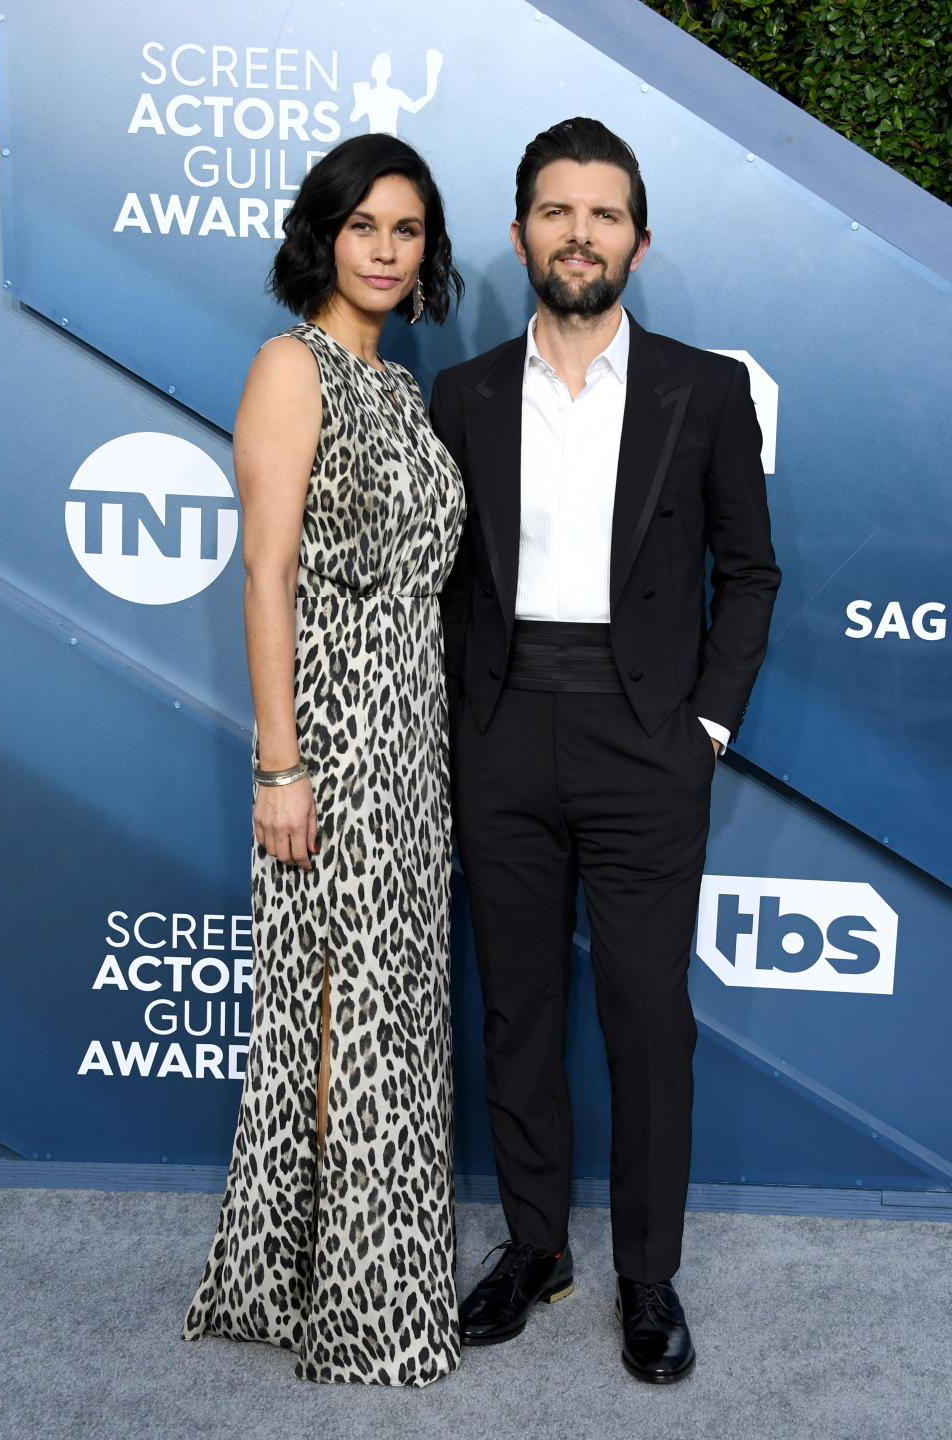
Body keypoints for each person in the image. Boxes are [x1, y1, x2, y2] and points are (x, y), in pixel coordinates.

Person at [430, 117, 780, 1383]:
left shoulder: (705, 388)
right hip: (506, 734)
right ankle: (536, 1249)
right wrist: (468, 726)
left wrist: (703, 728)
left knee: (646, 1016)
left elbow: (750, 573)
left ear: (639, 237)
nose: (581, 233)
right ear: (521, 230)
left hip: (648, 744)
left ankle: (647, 1274)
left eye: (605, 213)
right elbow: (454, 586)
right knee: (518, 1006)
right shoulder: (461, 393)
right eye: (557, 211)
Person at [183, 133, 465, 1387]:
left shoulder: (398, 389)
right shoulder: (287, 368)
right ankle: (352, 1296)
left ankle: (341, 1270)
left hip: (415, 728)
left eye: (408, 231)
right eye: (366, 228)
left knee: (391, 1007)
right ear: (323, 236)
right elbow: (266, 570)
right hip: (339, 732)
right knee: (344, 1007)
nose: (388, 252)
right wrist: (282, 765)